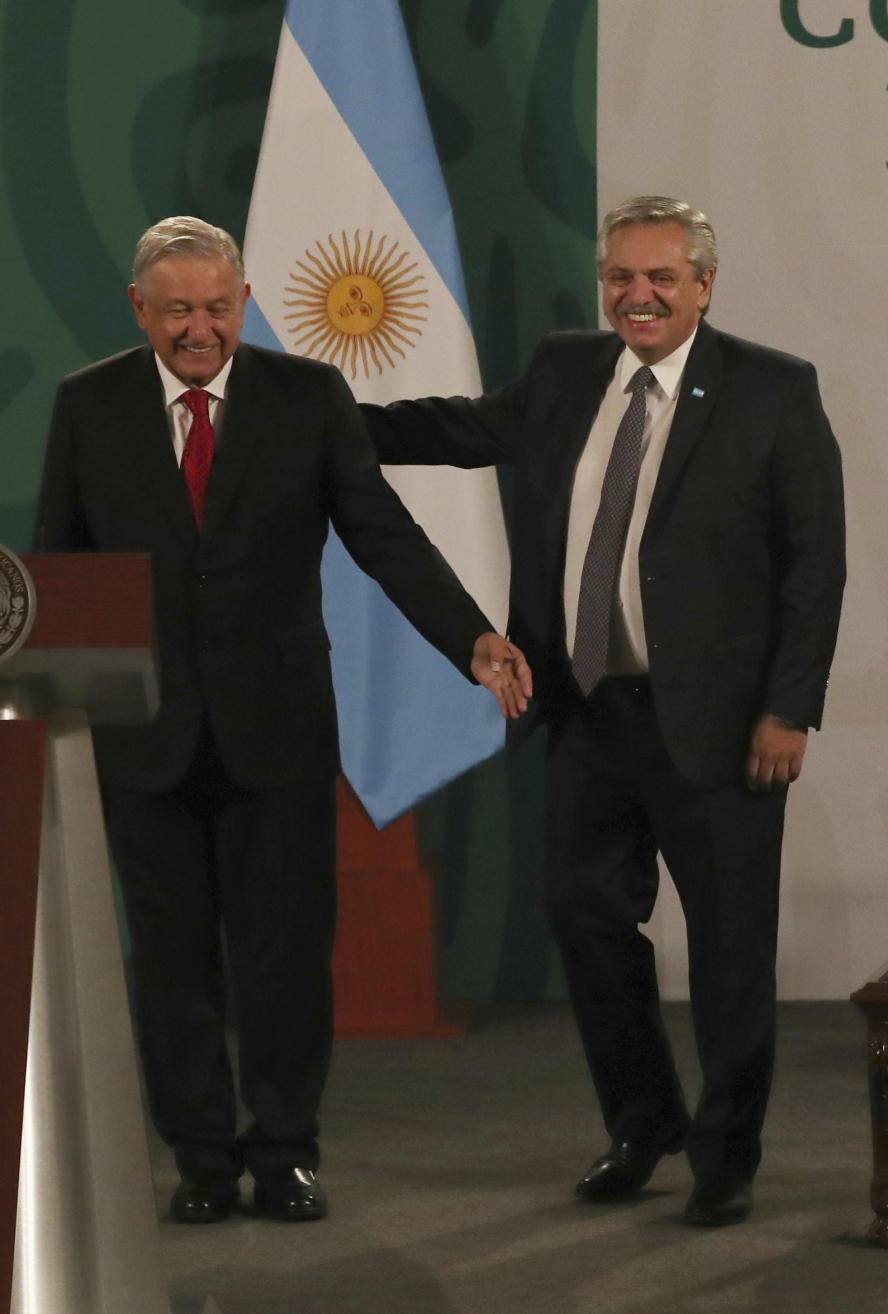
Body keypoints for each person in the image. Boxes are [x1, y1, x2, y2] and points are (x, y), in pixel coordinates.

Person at [33, 215, 531, 1225]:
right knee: (171, 962)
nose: (201, 327)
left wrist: (472, 638)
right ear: (141, 311)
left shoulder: (308, 397)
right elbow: (57, 565)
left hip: (278, 731)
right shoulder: (87, 405)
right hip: (144, 735)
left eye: (218, 306)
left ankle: (286, 1152)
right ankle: (204, 1160)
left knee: (284, 958)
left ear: (244, 302)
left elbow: (381, 533)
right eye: (179, 310)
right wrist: (51, 711)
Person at [362, 195, 846, 1227]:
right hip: (586, 713)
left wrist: (789, 709)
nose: (639, 296)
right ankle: (643, 1123)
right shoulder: (563, 370)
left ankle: (726, 1154)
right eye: (622, 277)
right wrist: (311, 423)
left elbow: (816, 566)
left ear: (704, 286)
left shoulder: (771, 389)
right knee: (585, 914)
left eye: (662, 278)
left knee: (727, 946)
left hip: (721, 726)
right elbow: (459, 429)